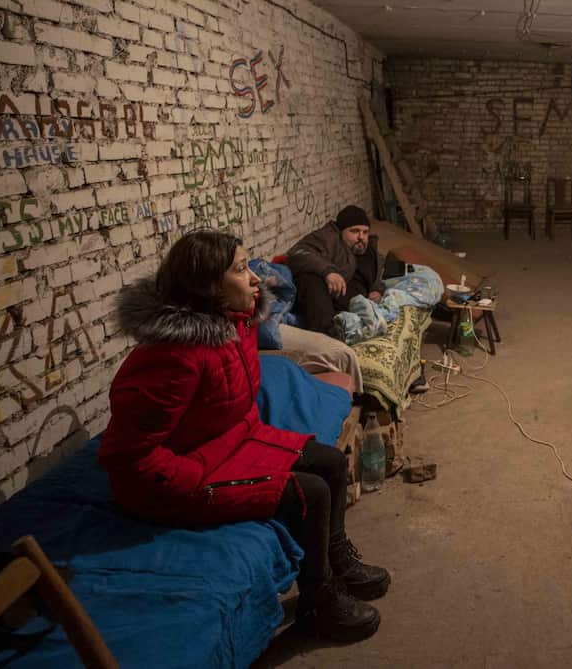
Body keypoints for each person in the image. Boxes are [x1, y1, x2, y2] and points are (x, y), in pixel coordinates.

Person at [98, 230, 390, 642]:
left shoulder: (237, 326)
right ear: (208, 286)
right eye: (241, 269)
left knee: (332, 462)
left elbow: (234, 410)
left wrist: (263, 443)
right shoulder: (170, 356)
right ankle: (317, 600)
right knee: (312, 493)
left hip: (229, 443)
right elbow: (130, 459)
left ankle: (336, 556)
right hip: (175, 481)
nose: (257, 278)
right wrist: (197, 484)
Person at [287, 206, 385, 337]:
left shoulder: (371, 252)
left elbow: (379, 276)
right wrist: (328, 272)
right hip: (328, 299)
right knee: (309, 279)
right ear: (342, 230)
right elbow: (298, 252)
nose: (361, 237)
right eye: (354, 231)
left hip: (355, 305)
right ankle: (326, 335)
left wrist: (377, 290)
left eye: (365, 232)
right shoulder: (329, 238)